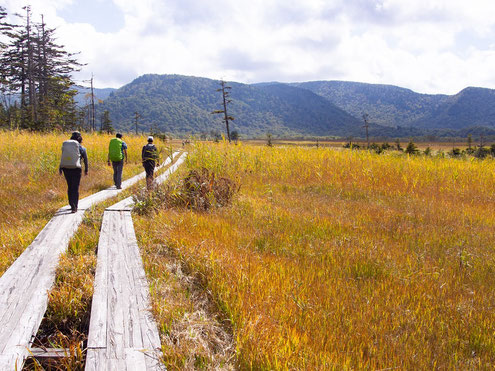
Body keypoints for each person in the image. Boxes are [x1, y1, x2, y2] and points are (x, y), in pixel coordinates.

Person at [59, 131, 88, 213]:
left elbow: (63, 157)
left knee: (70, 186)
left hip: (66, 168)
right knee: (75, 187)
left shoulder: (66, 145)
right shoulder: (81, 147)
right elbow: (85, 159)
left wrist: (60, 168)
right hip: (76, 168)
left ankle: (71, 204)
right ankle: (75, 206)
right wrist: (86, 170)